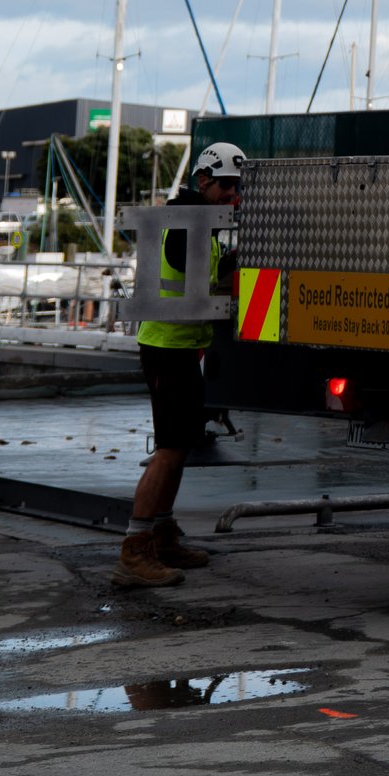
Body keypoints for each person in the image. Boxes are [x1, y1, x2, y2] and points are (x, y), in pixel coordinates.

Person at [111, 141, 244, 590]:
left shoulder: (194, 222)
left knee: (181, 447)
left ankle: (163, 535)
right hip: (168, 346)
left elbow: (203, 277)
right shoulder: (187, 226)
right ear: (202, 179)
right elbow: (204, 288)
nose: (232, 195)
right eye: (226, 185)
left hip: (181, 346)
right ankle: (135, 549)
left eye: (237, 187)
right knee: (168, 452)